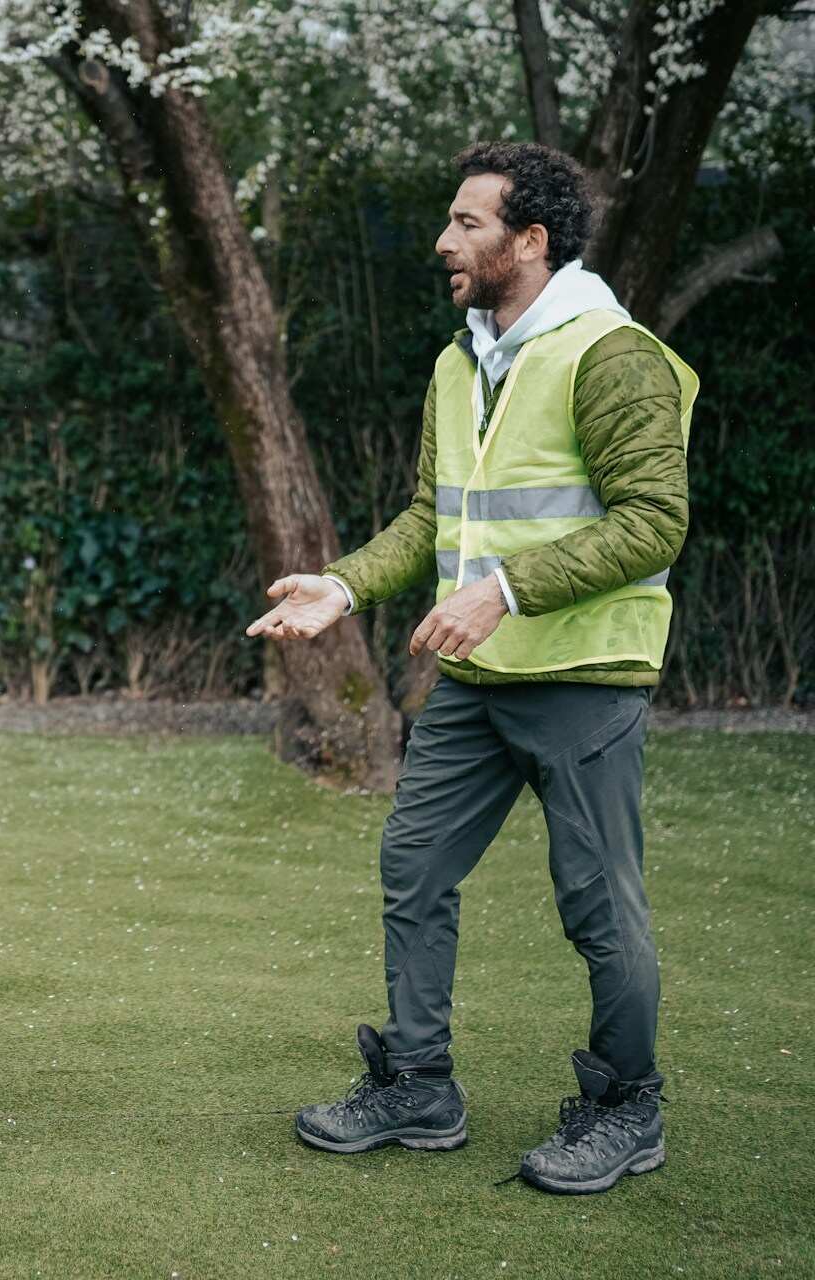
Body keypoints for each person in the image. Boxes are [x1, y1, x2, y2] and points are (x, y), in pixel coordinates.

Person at [245, 141, 696, 1195]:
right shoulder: (463, 358)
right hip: (479, 683)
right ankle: (417, 1084)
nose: (446, 241)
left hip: (584, 676)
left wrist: (506, 589)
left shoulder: (608, 352)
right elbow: (430, 516)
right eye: (451, 222)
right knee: (413, 866)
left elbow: (655, 521)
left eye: (469, 224)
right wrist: (345, 588)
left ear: (530, 241)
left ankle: (627, 1104)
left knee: (598, 904)